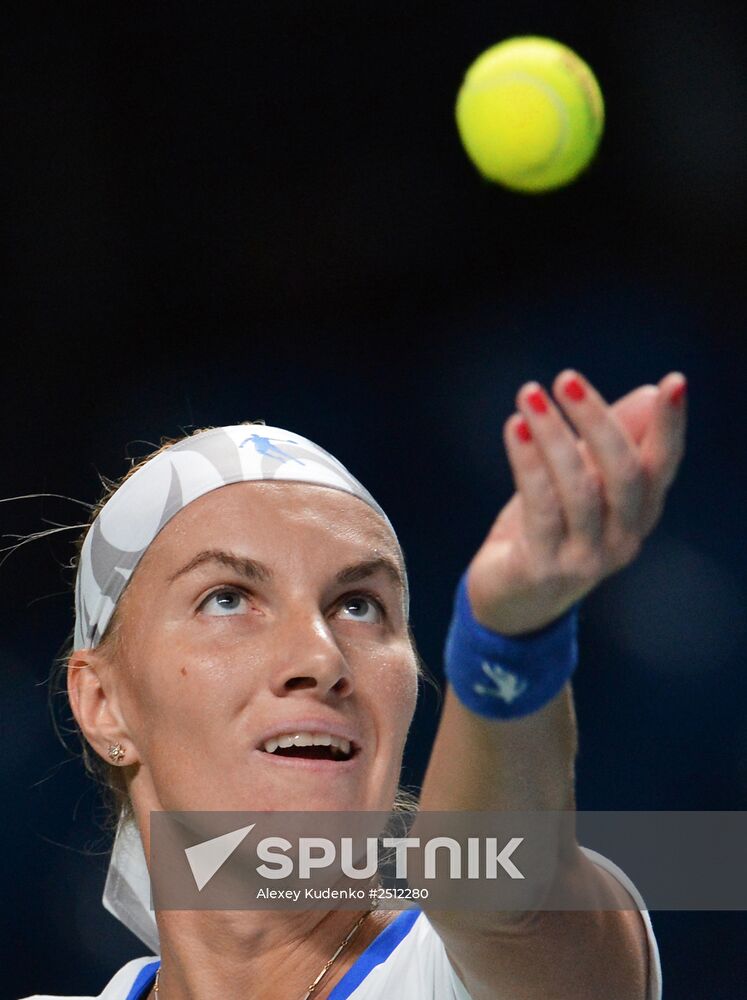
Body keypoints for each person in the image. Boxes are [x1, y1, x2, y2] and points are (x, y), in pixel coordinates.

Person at [23, 368, 687, 1000]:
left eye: (358, 605)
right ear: (104, 705)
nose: (320, 656)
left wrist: (510, 636)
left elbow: (504, 901)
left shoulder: (455, 977)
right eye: (226, 599)